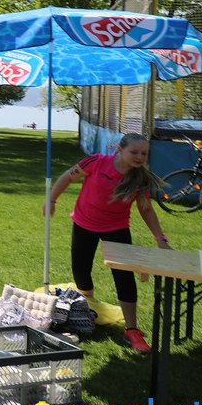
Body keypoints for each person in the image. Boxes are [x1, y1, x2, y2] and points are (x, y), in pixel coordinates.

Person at [47, 133, 169, 352]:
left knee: (124, 277)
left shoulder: (140, 179)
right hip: (84, 224)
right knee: (81, 272)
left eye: (144, 153)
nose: (140, 157)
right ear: (120, 150)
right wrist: (52, 199)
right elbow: (67, 176)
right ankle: (86, 307)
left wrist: (160, 238)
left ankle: (132, 329)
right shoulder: (96, 161)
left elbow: (146, 209)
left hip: (117, 229)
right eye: (134, 152)